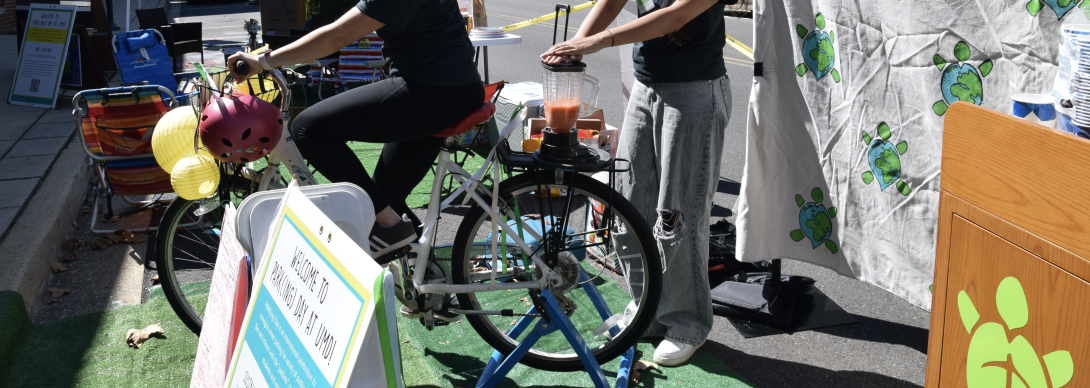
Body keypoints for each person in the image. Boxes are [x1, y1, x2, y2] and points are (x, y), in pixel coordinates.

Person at [541, 0, 730, 367]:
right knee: (628, 205)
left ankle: (686, 324)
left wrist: (597, 41)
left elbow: (675, 16)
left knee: (678, 214)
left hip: (694, 90)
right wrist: (575, 44)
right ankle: (646, 307)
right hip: (646, 87)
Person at [229, 0, 484, 260]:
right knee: (383, 199)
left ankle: (392, 228)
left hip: (433, 90)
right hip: (447, 90)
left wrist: (263, 61)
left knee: (308, 128)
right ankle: (424, 279)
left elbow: (336, 36)